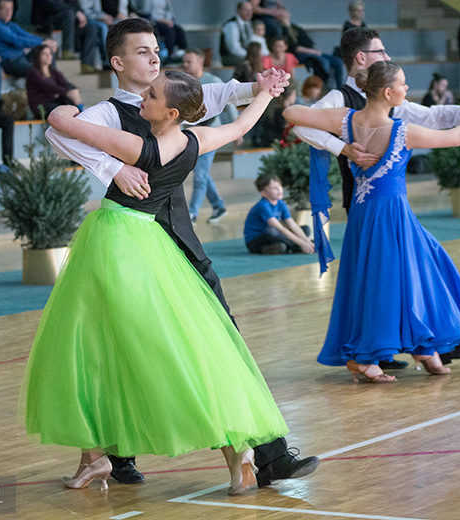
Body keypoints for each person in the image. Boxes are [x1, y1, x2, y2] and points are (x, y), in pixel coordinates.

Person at [44, 17, 319, 489]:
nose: (154, 57)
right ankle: (117, 456)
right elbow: (58, 133)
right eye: (143, 51)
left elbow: (220, 97)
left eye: (155, 49)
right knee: (119, 343)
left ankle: (266, 455)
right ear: (117, 62)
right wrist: (114, 170)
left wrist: (261, 85)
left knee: (215, 341)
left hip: (176, 244)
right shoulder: (112, 114)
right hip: (128, 243)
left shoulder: (173, 99)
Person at [294, 27, 460, 370]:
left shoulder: (376, 108)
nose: (387, 57)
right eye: (381, 52)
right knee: (387, 274)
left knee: (396, 270)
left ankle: (401, 347)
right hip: (364, 201)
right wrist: (342, 148)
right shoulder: (339, 100)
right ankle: (397, 348)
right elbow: (300, 125)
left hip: (380, 202)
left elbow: (431, 116)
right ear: (362, 58)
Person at [181, 48, 232, 224]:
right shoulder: (183, 82)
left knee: (200, 174)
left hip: (210, 134)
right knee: (202, 172)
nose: (185, 65)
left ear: (199, 63)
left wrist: (235, 126)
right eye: (184, 62)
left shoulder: (213, 81)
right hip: (191, 134)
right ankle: (219, 206)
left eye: (189, 61)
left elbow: (229, 100)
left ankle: (192, 213)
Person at [244, 172, 313, 255]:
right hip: (256, 241)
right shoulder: (262, 206)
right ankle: (294, 246)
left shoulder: (281, 203)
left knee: (305, 229)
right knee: (272, 231)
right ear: (263, 193)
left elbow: (292, 224)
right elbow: (280, 228)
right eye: (274, 188)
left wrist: (308, 242)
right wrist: (302, 243)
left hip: (275, 236)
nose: (279, 189)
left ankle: (286, 247)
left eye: (280, 186)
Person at [0, 0, 58, 78]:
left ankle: (54, 79)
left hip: (22, 57)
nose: (9, 12)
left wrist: (45, 41)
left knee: (46, 49)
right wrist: (41, 43)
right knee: (37, 70)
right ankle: (52, 83)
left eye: (10, 9)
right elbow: (16, 40)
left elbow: (28, 35)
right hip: (10, 62)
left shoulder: (12, 25)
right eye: (5, 9)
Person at [31, 0, 100, 74]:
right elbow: (52, 6)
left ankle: (87, 64)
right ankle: (67, 51)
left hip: (68, 23)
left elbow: (75, 4)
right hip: (46, 20)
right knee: (68, 14)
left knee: (91, 29)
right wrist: (75, 12)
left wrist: (79, 12)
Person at [26, 43, 83, 118]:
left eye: (50, 54)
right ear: (38, 55)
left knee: (72, 105)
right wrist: (66, 92)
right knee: (63, 110)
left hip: (55, 102)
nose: (48, 56)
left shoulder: (54, 72)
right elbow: (47, 86)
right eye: (44, 54)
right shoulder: (33, 72)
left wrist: (74, 90)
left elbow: (65, 84)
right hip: (42, 105)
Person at [220, 1, 253, 67]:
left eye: (251, 10)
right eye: (246, 10)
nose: (249, 13)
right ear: (239, 11)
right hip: (230, 57)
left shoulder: (248, 24)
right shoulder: (232, 25)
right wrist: (250, 55)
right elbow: (234, 48)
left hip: (245, 55)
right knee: (253, 61)